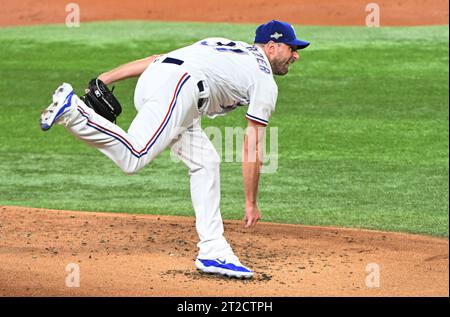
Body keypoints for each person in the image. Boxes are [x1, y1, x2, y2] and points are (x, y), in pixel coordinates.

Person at [39, 20, 310, 279]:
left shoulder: (225, 46)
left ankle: (213, 249)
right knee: (135, 157)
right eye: (292, 48)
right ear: (272, 47)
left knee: (205, 161)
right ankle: (74, 112)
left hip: (165, 84)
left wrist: (105, 77)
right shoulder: (264, 80)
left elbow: (159, 57)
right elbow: (253, 144)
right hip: (180, 88)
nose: (295, 56)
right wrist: (251, 202)